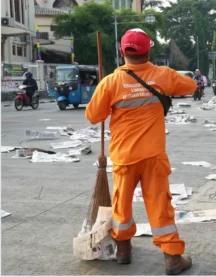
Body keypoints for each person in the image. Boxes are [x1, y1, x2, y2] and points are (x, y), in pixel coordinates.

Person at [84, 28, 196, 275]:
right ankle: (172, 258)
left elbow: (93, 116)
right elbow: (190, 85)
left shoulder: (111, 82)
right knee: (160, 205)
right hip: (154, 156)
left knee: (121, 204)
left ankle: (123, 250)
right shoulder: (161, 75)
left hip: (124, 156)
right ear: (148, 51)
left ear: (122, 51)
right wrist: (158, 79)